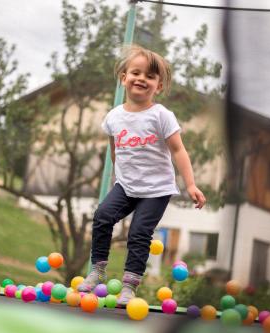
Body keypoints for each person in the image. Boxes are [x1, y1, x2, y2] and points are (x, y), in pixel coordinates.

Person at [77, 45, 206, 305]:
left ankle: (129, 285)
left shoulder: (161, 116)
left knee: (138, 233)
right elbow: (115, 151)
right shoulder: (113, 117)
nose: (141, 79)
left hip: (156, 190)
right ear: (124, 77)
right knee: (102, 216)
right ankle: (98, 271)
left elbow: (179, 150)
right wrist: (116, 179)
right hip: (126, 186)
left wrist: (190, 184)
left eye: (150, 76)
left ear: (158, 86)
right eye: (136, 73)